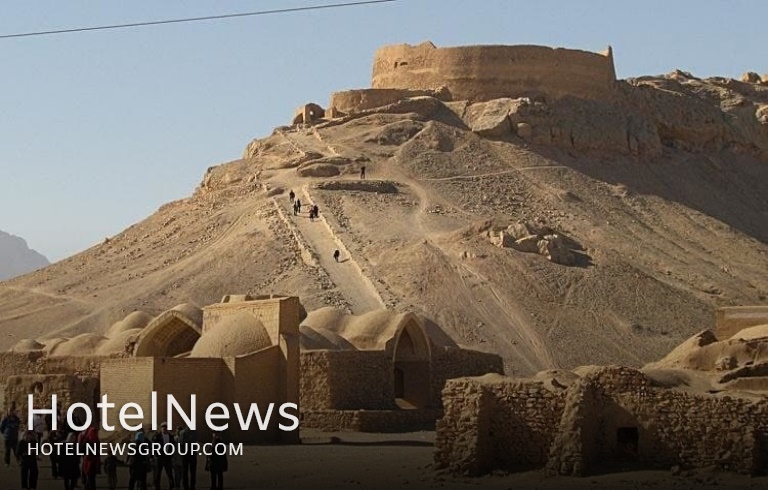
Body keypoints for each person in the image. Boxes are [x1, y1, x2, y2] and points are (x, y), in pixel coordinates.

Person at [151, 422, 175, 490]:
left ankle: (171, 486)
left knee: (169, 472)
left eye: (165, 427)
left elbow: (173, 446)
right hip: (159, 457)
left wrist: (171, 454)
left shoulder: (171, 436)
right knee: (158, 473)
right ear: (161, 428)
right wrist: (153, 456)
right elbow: (153, 447)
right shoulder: (156, 436)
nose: (164, 428)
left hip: (168, 457)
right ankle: (157, 486)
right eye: (163, 427)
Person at [80, 424, 100, 490]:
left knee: (90, 477)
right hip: (94, 461)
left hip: (88, 460)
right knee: (92, 478)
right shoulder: (96, 441)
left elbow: (81, 450)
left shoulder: (87, 440)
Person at [179, 425, 198, 490]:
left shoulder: (182, 432)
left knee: (185, 471)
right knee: (193, 471)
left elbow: (181, 442)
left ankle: (185, 486)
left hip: (185, 453)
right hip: (192, 452)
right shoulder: (194, 432)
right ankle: (192, 486)